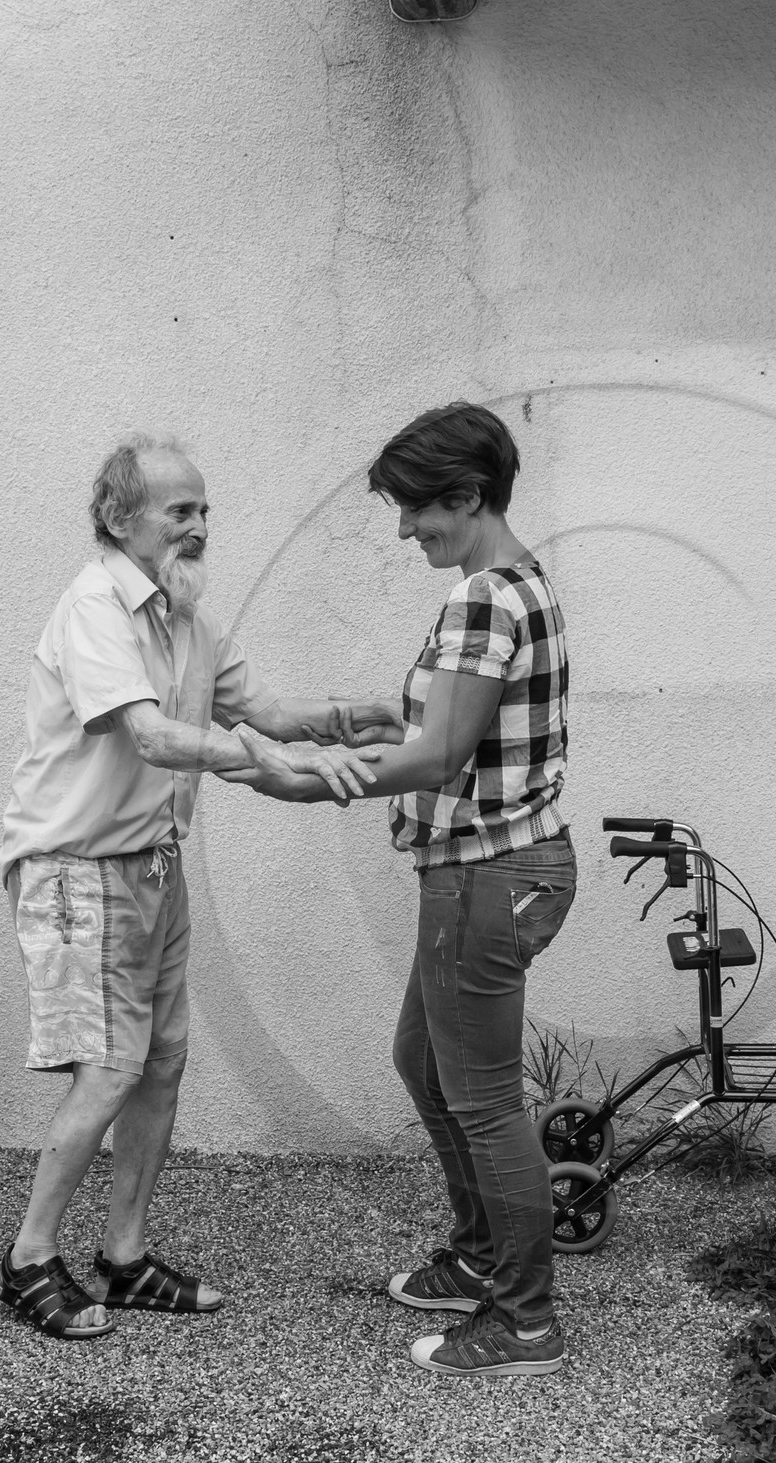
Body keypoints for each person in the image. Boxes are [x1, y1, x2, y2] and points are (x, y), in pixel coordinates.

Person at [0, 431, 398, 1339]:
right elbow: (152, 736)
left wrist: (344, 719)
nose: (200, 526)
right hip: (77, 872)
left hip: (151, 868)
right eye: (181, 511)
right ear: (119, 518)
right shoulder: (94, 606)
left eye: (206, 509)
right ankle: (27, 1260)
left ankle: (124, 1259)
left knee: (162, 1065)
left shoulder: (186, 615)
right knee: (109, 1072)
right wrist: (262, 757)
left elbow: (262, 713)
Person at [233, 402, 574, 1377]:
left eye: (416, 509)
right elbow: (448, 729)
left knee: (482, 1097)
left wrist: (300, 777)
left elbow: (440, 753)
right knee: (423, 1062)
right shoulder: (516, 584)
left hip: (485, 877)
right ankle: (479, 1254)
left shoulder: (484, 600)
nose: (403, 530)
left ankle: (525, 1320)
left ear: (466, 497)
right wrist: (345, 726)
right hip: (491, 868)